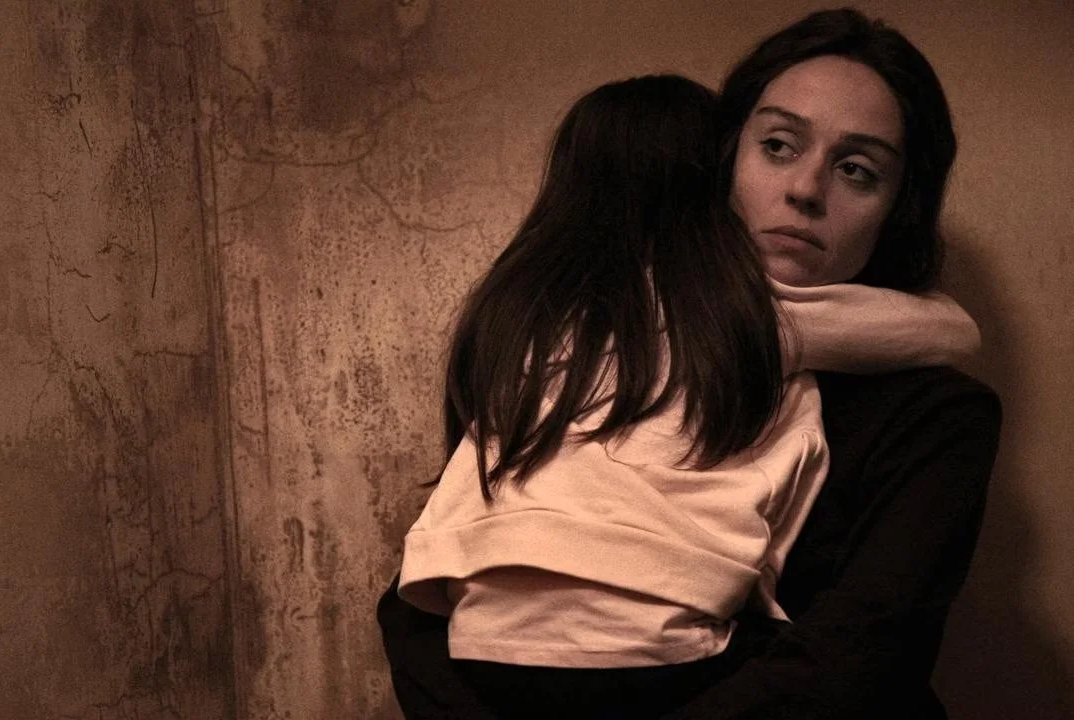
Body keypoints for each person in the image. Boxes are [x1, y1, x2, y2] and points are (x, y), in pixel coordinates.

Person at [377, 8, 1002, 720]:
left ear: (898, 209)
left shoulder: (936, 415)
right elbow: (432, 592)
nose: (805, 190)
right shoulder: (596, 337)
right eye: (777, 146)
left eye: (856, 170)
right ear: (723, 159)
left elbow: (863, 653)